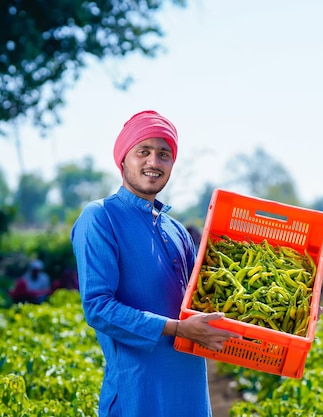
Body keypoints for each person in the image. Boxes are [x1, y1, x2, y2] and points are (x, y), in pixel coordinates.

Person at [70, 110, 241, 417]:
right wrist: (178, 328)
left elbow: (207, 302)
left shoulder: (176, 231)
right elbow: (98, 307)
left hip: (190, 394)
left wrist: (291, 318)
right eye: (143, 152)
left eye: (164, 154)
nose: (153, 162)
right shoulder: (100, 217)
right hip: (137, 394)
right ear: (123, 159)